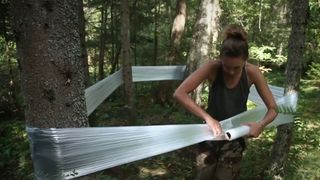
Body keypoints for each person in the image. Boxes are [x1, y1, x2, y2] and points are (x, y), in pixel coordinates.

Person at [173, 24, 278, 180]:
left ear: (245, 60)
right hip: (209, 134)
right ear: (220, 58)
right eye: (226, 66)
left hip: (235, 136)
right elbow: (179, 93)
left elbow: (273, 109)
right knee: (203, 175)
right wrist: (208, 118)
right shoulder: (212, 67)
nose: (230, 71)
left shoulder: (252, 72)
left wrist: (261, 125)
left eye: (236, 67)